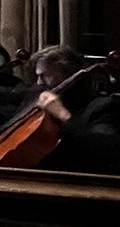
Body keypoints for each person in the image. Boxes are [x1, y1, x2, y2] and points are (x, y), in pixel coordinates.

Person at [27, 45, 120, 174]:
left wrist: (62, 114)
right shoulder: (39, 100)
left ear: (68, 74)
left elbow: (104, 149)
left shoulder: (102, 106)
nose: (39, 82)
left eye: (44, 75)